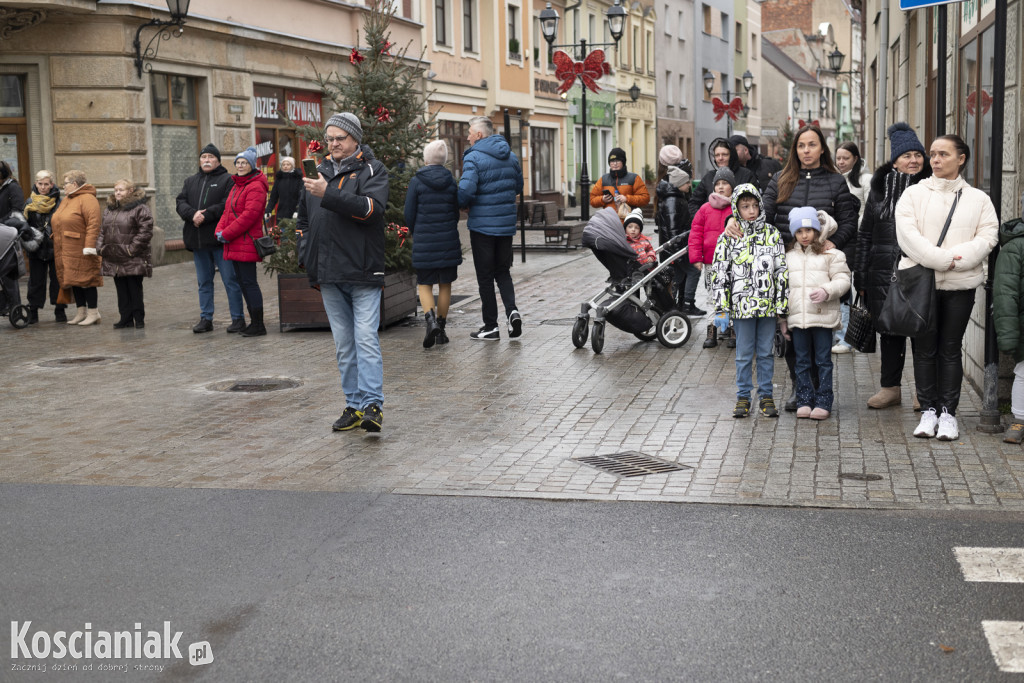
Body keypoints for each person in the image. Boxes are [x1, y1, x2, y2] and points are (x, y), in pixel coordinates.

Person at [745, 125, 859, 411]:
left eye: (812, 145)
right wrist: (738, 221)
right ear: (795, 150)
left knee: (819, 333)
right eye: (801, 146)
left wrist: (833, 242)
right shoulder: (782, 179)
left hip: (821, 267)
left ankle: (821, 391)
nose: (806, 150)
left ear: (822, 148)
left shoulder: (835, 182)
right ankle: (800, 388)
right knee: (792, 335)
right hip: (789, 265)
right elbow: (763, 213)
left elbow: (848, 221)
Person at [895, 134, 998, 441]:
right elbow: (907, 236)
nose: (935, 160)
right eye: (933, 154)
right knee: (924, 349)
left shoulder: (978, 199)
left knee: (950, 349)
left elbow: (987, 238)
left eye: (943, 154)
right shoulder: (914, 194)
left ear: (961, 158)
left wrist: (956, 262)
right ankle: (928, 411)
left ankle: (948, 414)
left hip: (959, 285)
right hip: (921, 284)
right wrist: (943, 259)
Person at [298, 112, 389, 433]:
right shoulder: (317, 172)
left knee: (365, 339)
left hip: (363, 270)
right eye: (330, 139)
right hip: (328, 272)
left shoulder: (372, 169)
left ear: (355, 139)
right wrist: (305, 251)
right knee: (344, 345)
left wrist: (329, 194)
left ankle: (372, 405)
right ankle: (353, 405)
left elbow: (371, 210)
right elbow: (304, 220)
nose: (333, 144)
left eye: (340, 138)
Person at [855, 122, 931, 409]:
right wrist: (860, 275)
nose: (913, 160)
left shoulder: (930, 187)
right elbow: (865, 234)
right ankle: (890, 388)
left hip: (920, 270)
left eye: (917, 155)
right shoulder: (879, 189)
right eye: (906, 156)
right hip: (883, 270)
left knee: (922, 331)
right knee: (889, 332)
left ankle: (923, 392)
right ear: (895, 160)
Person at [710, 183, 788, 419]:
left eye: (755, 205)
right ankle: (743, 396)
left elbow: (781, 270)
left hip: (766, 306)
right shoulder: (728, 237)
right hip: (741, 306)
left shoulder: (772, 234)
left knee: (765, 352)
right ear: (736, 208)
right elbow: (719, 272)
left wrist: (782, 305)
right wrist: (721, 307)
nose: (751, 211)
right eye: (745, 207)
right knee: (743, 354)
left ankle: (766, 395)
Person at [780, 207, 851, 420]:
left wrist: (827, 291)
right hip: (798, 319)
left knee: (823, 361)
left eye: (809, 230)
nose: (804, 235)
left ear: (816, 230)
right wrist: (782, 319)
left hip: (823, 317)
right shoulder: (787, 257)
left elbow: (843, 279)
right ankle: (804, 399)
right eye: (799, 231)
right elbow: (782, 289)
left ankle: (823, 400)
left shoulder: (832, 255)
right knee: (802, 361)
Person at [458, 115, 524, 341]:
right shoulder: (511, 156)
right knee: (503, 272)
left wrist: (463, 204)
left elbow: (465, 190)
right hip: (505, 226)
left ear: (479, 135)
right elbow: (518, 186)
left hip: (483, 228)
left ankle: (491, 327)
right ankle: (512, 311)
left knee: (485, 277)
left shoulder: (474, 157)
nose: (467, 137)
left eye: (469, 132)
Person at [176, 143, 245, 334]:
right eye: (203, 157)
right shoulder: (190, 181)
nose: (206, 160)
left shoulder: (228, 180)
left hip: (220, 240)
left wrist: (206, 215)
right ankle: (206, 318)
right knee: (203, 282)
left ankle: (237, 318)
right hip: (198, 240)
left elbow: (227, 204)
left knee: (230, 280)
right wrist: (192, 215)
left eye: (210, 157)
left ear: (218, 160)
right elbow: (180, 202)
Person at [404, 139, 462, 348]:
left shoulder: (416, 181)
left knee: (424, 283)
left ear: (425, 158)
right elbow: (456, 213)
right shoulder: (451, 181)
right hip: (447, 241)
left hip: (424, 241)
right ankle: (441, 329)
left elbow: (408, 213)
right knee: (445, 284)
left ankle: (430, 323)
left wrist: (415, 231)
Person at [216, 146, 270, 337]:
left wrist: (227, 234)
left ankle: (258, 324)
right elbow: (227, 211)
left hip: (245, 241)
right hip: (235, 241)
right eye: (238, 162)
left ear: (251, 165)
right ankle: (253, 323)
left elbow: (249, 216)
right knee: (242, 281)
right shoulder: (237, 185)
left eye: (244, 163)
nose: (240, 165)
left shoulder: (255, 186)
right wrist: (219, 230)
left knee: (249, 282)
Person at [830, 141, 873, 354]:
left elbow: (871, 209)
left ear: (855, 159)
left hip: (859, 240)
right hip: (837, 239)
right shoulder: (834, 180)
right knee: (837, 286)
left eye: (845, 158)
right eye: (838, 158)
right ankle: (837, 334)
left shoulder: (865, 180)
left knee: (850, 288)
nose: (841, 162)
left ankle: (847, 336)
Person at [689, 166, 736, 349]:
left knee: (732, 295)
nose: (721, 187)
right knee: (713, 296)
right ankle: (712, 330)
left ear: (732, 186)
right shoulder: (705, 209)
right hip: (710, 262)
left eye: (725, 183)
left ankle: (733, 330)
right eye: (718, 184)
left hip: (733, 262)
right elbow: (695, 234)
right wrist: (697, 258)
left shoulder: (736, 208)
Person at [96, 179, 154, 328]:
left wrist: (131, 249)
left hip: (132, 257)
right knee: (121, 290)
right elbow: (103, 230)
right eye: (116, 190)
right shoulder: (110, 209)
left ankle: (138, 318)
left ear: (130, 191)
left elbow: (145, 232)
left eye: (121, 190)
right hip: (114, 256)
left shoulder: (140, 208)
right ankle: (125, 318)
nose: (117, 193)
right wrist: (100, 248)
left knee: (134, 289)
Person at [654, 144, 702, 315]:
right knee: (683, 274)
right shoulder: (673, 199)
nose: (690, 183)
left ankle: (675, 305)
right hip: (677, 249)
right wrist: (678, 253)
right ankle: (681, 305)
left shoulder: (670, 192)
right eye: (688, 181)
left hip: (677, 248)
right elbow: (673, 229)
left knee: (678, 277)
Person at [51, 170, 103, 326]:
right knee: (75, 280)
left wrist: (89, 246)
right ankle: (81, 312)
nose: (63, 186)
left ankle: (93, 312)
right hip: (67, 247)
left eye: (65, 183)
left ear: (74, 184)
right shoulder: (68, 199)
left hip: (81, 247)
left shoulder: (87, 199)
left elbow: (94, 224)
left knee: (87, 280)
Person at [993, 214, 1024, 443]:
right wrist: (1008, 334)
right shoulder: (1015, 248)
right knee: (1023, 371)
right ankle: (1019, 420)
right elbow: (1005, 294)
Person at [23, 170, 64, 323]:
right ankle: (33, 310)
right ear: (36, 184)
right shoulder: (29, 202)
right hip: (37, 247)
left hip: (55, 246)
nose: (43, 187)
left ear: (51, 184)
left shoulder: (59, 201)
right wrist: (30, 240)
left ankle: (60, 309)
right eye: (40, 184)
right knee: (35, 281)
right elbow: (24, 224)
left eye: (46, 184)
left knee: (57, 280)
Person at [688, 137, 755, 216]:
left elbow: (753, 202)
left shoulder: (746, 175)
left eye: (725, 154)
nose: (720, 158)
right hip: (711, 225)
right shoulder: (709, 177)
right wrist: (703, 219)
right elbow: (693, 202)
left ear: (732, 155)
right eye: (717, 155)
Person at [590, 147, 650, 211]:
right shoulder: (603, 179)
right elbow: (592, 200)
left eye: (618, 161)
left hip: (627, 218)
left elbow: (645, 199)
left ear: (623, 162)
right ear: (609, 163)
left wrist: (627, 199)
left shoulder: (634, 178)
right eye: (612, 161)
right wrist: (602, 199)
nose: (615, 164)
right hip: (609, 219)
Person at [265, 156, 303, 225]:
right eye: (283, 165)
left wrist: (298, 211)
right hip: (281, 215)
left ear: (292, 166)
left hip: (295, 215)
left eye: (288, 164)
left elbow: (301, 197)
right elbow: (273, 198)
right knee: (281, 234)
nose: (285, 166)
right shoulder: (279, 180)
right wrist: (268, 211)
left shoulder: (298, 179)